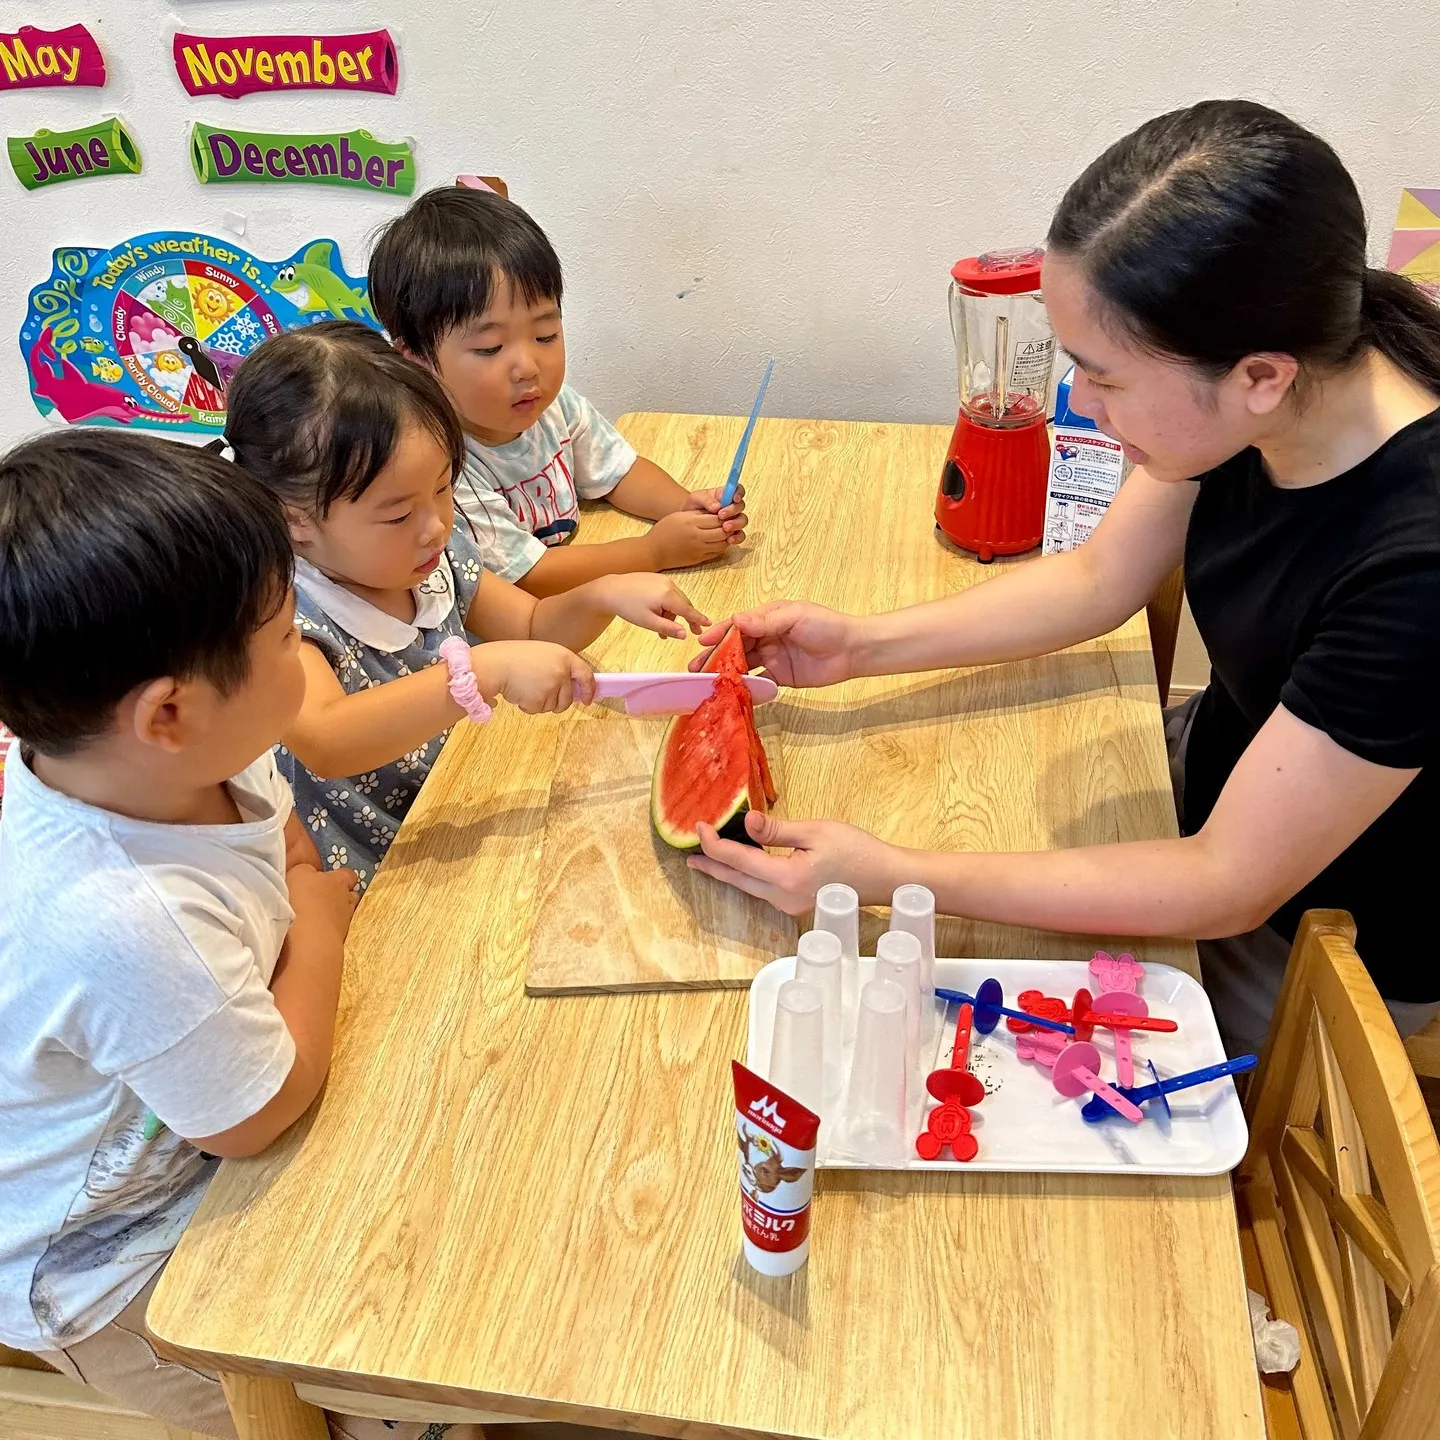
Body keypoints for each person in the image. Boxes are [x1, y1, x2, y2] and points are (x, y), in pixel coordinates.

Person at [687, 99, 1440, 1057]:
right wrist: (864, 643)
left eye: (1106, 378)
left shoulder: (1416, 570)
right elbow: (1095, 579)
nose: (1079, 403)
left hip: (1315, 934)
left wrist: (897, 873)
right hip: (1207, 789)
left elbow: (1224, 881)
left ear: (1259, 375)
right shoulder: (1266, 389)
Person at [0, 432, 473, 1439]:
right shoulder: (121, 916)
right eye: (280, 635)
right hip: (108, 1263)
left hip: (208, 1104)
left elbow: (286, 840)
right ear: (168, 714)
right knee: (303, 1414)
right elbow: (260, 1109)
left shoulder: (199, 753)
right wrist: (323, 928)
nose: (299, 645)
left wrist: (305, 896)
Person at [219, 322, 709, 889]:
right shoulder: (285, 618)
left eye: (445, 487)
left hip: (467, 799)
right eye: (398, 514)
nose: (435, 525)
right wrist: (484, 669)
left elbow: (529, 624)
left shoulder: (428, 553)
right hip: (384, 872)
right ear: (294, 520)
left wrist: (604, 592)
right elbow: (328, 740)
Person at [367, 185, 748, 596]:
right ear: (417, 359)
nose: (528, 367)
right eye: (490, 348)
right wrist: (655, 551)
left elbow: (617, 472)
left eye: (546, 335)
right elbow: (530, 576)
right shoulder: (437, 466)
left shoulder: (548, 405)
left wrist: (686, 510)